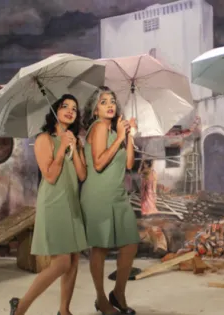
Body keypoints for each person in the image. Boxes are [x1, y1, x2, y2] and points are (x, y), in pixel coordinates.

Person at [9, 94, 88, 315]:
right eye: (65, 106)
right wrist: (62, 147)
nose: (70, 111)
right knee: (62, 263)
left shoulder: (75, 140)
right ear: (55, 110)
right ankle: (20, 307)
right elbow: (51, 176)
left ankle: (64, 310)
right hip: (54, 203)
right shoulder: (44, 139)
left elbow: (82, 175)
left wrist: (76, 149)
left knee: (73, 261)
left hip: (71, 203)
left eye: (74, 107)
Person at [80, 86, 140, 315]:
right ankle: (101, 299)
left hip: (117, 194)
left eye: (112, 100)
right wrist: (120, 138)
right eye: (103, 102)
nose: (110, 105)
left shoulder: (114, 129)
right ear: (95, 110)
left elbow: (128, 164)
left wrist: (130, 135)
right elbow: (98, 163)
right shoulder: (99, 127)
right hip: (99, 195)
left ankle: (119, 292)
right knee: (101, 248)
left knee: (130, 243)